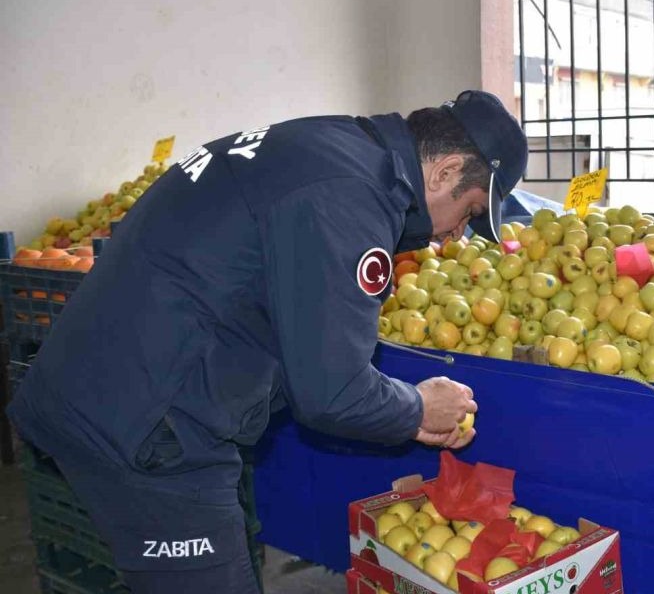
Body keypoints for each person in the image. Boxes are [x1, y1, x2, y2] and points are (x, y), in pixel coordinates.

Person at [7, 90, 528, 593]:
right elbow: (332, 392)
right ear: (445, 172)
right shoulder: (350, 197)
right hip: (147, 421)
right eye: (469, 213)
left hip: (113, 381)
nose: (457, 235)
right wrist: (417, 407)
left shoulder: (336, 146)